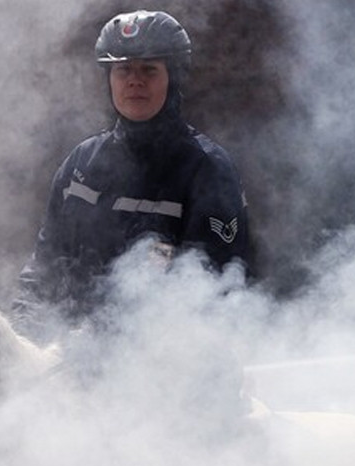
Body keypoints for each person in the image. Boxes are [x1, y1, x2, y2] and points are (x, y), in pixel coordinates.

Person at [16, 9, 257, 327]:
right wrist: (18, 339)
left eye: (149, 70)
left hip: (173, 367)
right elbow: (43, 271)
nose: (134, 81)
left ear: (174, 78)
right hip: (74, 362)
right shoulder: (80, 166)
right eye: (123, 70)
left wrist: (102, 341)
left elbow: (215, 294)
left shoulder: (208, 169)